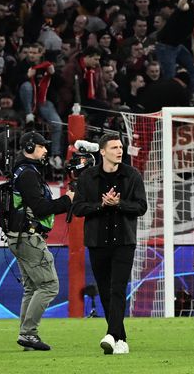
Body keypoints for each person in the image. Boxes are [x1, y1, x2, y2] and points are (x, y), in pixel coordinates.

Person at [72, 134, 148, 355]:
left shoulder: (132, 175)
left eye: (120, 147)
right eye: (114, 147)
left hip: (124, 241)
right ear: (102, 152)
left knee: (117, 288)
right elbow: (78, 208)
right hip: (97, 242)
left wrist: (119, 204)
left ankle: (111, 335)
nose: (119, 150)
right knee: (105, 290)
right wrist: (101, 206)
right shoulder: (87, 177)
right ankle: (120, 338)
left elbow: (141, 207)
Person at [4, 131, 73, 351]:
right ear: (31, 147)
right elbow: (41, 208)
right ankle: (28, 334)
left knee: (31, 288)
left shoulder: (21, 171)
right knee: (49, 285)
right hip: (28, 237)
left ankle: (26, 337)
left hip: (19, 237)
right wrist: (67, 200)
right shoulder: (28, 174)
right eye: (42, 146)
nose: (45, 151)